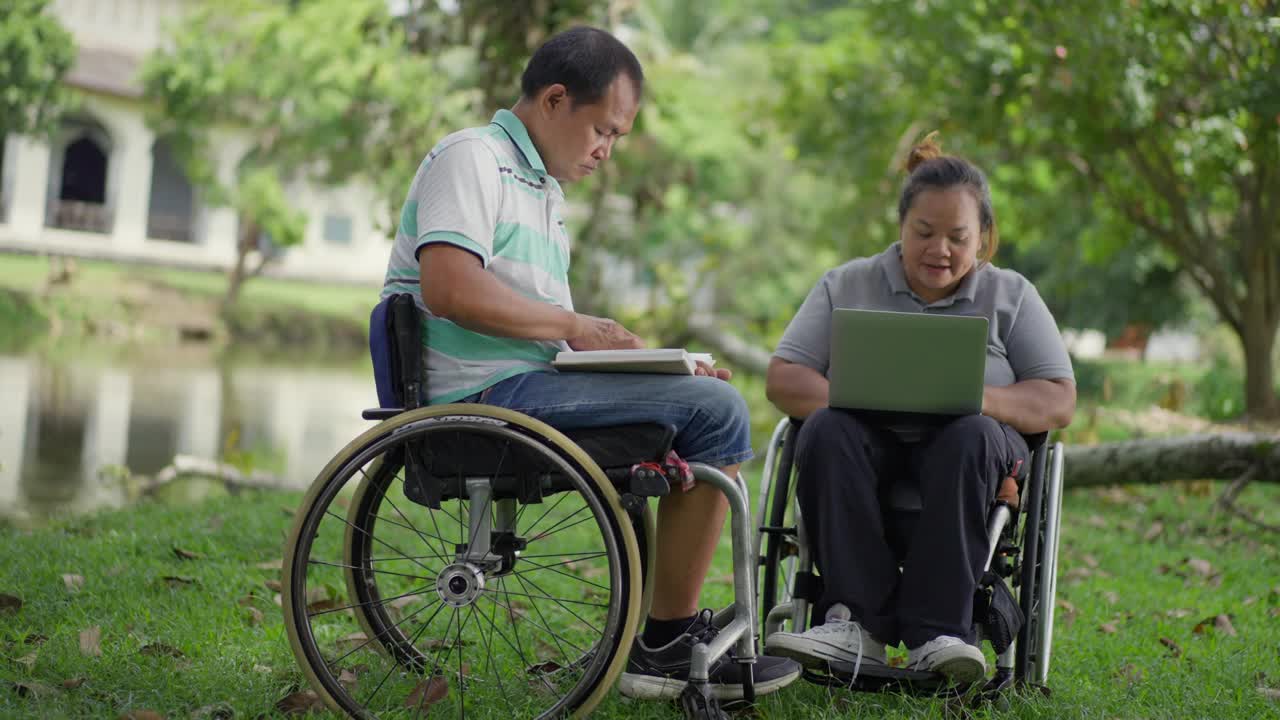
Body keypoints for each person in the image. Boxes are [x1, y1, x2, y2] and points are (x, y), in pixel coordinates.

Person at [378, 26, 800, 701]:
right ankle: (665, 642)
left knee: (701, 397)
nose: (607, 150)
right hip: (483, 399)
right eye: (604, 130)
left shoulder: (541, 191)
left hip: (524, 383)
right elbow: (450, 288)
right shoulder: (474, 159)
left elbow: (544, 335)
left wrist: (653, 366)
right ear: (553, 100)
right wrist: (577, 326)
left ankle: (663, 633)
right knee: (719, 413)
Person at [761, 134, 1076, 683]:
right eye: (924, 234)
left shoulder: (1012, 295)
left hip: (970, 451)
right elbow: (784, 377)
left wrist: (983, 400)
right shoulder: (848, 283)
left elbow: (1058, 397)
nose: (940, 250)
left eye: (959, 237)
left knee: (971, 434)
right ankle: (855, 623)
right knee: (826, 429)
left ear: (983, 239)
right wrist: (862, 394)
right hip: (865, 444)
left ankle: (940, 632)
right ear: (901, 229)